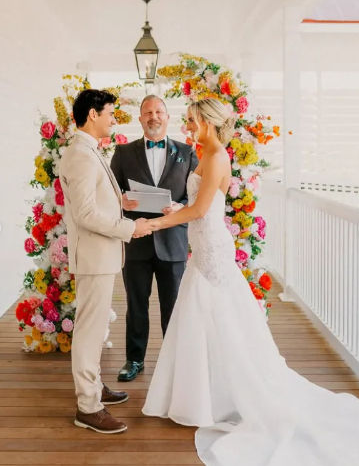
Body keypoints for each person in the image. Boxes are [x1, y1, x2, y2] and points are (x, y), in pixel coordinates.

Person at [142, 98, 359, 465]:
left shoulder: (216, 157)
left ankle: (227, 396)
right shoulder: (206, 153)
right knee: (199, 321)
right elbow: (200, 206)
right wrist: (176, 209)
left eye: (192, 121)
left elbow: (200, 209)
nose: (187, 127)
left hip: (212, 250)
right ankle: (203, 396)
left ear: (208, 122)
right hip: (204, 244)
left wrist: (155, 223)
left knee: (223, 321)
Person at [59, 89, 151, 434]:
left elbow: (95, 201)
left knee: (96, 328)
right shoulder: (80, 155)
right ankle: (88, 406)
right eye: (111, 113)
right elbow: (84, 214)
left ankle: (95, 387)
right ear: (93, 114)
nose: (114, 119)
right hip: (95, 256)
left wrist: (122, 202)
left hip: (102, 255)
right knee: (89, 330)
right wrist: (130, 227)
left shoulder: (88, 151)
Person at [110, 95, 198, 382]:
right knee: (136, 304)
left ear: (168, 117)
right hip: (135, 240)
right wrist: (121, 201)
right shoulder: (123, 153)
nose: (154, 116)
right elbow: (110, 195)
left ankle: (175, 361)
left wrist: (181, 206)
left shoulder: (187, 152)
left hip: (172, 241)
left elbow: (195, 196)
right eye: (147, 112)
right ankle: (134, 360)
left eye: (159, 111)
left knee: (173, 305)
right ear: (140, 118)